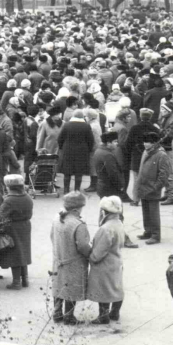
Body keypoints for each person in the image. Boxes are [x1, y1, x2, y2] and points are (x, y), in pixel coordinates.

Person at [50, 191, 91, 325]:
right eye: (81, 208)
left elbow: (52, 236)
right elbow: (83, 246)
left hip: (58, 259)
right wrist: (91, 255)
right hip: (74, 262)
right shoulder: (78, 224)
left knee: (58, 286)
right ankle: (69, 316)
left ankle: (56, 313)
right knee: (71, 289)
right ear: (75, 209)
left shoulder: (57, 218)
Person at [87, 196, 126, 328]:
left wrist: (91, 258)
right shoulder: (119, 223)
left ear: (104, 212)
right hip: (117, 260)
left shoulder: (105, 228)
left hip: (105, 264)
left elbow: (100, 251)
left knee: (104, 289)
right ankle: (115, 312)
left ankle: (103, 316)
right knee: (116, 287)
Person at [0, 174, 33, 290]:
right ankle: (25, 279)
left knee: (15, 254)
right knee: (24, 251)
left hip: (12, 227)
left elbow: (0, 217)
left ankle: (16, 282)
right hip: (25, 225)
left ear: (9, 187)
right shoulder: (27, 197)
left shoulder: (9, 200)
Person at [136, 130, 171, 245]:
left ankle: (156, 235)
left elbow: (164, 174)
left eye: (149, 142)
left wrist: (156, 187)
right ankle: (148, 231)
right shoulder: (146, 152)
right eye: (145, 142)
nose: (146, 144)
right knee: (145, 212)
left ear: (155, 143)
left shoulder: (161, 155)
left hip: (152, 188)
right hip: (143, 186)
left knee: (153, 213)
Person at [56, 109, 95, 194]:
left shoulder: (66, 125)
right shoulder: (86, 126)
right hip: (82, 151)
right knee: (79, 172)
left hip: (68, 150)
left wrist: (62, 147)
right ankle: (77, 190)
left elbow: (60, 138)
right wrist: (89, 149)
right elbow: (91, 140)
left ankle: (66, 190)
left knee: (67, 172)